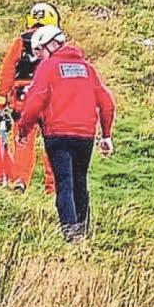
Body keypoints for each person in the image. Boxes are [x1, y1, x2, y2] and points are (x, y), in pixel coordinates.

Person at [16, 26, 115, 242]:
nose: (38, 57)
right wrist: (106, 135)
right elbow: (106, 102)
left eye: (39, 51)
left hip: (57, 135)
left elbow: (35, 101)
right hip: (86, 136)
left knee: (64, 183)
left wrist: (24, 129)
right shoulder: (87, 69)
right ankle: (84, 228)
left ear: (50, 45)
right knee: (80, 181)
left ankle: (71, 232)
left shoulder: (48, 68)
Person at [0, 2, 60, 192]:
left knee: (23, 139)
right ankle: (53, 187)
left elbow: (7, 71)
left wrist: (1, 100)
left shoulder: (20, 42)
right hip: (50, 100)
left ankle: (20, 181)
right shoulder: (56, 43)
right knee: (53, 143)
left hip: (23, 98)